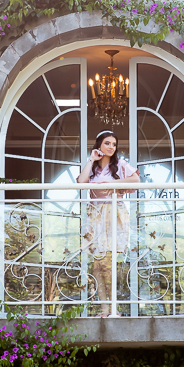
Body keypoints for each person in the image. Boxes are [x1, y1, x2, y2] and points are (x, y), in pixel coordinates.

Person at [78, 131, 139, 315]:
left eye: (114, 143)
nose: (111, 147)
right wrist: (91, 159)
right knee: (97, 266)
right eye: (107, 143)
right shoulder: (93, 167)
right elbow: (81, 182)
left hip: (114, 215)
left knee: (108, 263)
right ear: (99, 145)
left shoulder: (120, 164)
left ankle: (114, 309)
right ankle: (105, 308)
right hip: (95, 216)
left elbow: (136, 180)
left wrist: (111, 183)